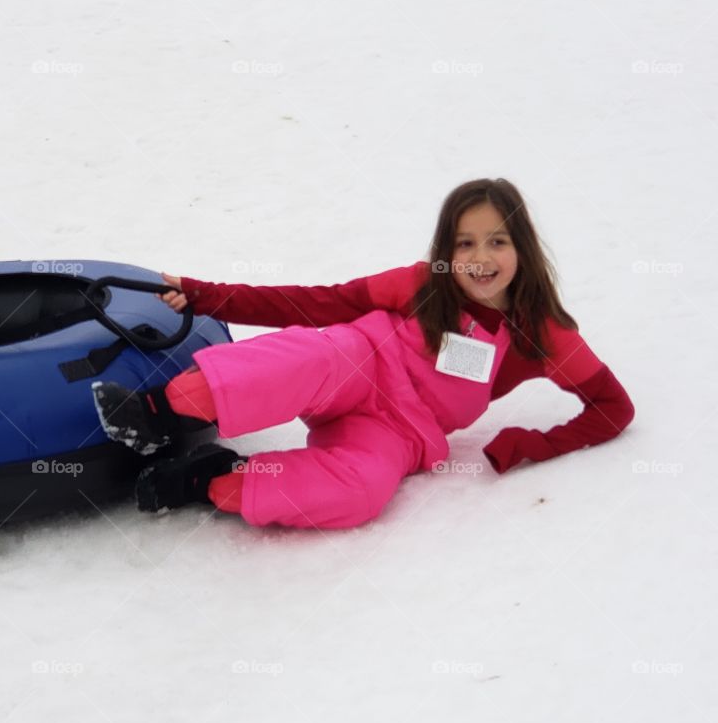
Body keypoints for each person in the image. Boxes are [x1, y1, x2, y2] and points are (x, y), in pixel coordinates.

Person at [92, 178, 635, 530]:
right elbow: (315, 303)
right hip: (355, 364)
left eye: (498, 241)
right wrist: (207, 295)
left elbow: (614, 409)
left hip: (400, 432)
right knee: (306, 359)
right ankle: (157, 412)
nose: (480, 258)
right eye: (464, 243)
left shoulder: (542, 333)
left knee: (362, 492)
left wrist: (530, 446)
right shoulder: (422, 285)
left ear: (523, 248)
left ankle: (210, 479)